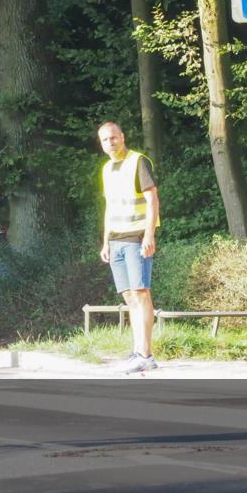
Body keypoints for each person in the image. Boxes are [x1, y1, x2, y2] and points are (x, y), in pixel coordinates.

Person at [97, 122, 160, 374]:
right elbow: (109, 207)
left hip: (136, 238)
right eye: (104, 140)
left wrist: (149, 235)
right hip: (116, 240)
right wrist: (105, 241)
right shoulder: (106, 169)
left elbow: (152, 199)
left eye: (113, 138)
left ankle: (146, 354)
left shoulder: (138, 161)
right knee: (129, 296)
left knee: (141, 293)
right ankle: (137, 351)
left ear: (122, 137)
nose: (110, 143)